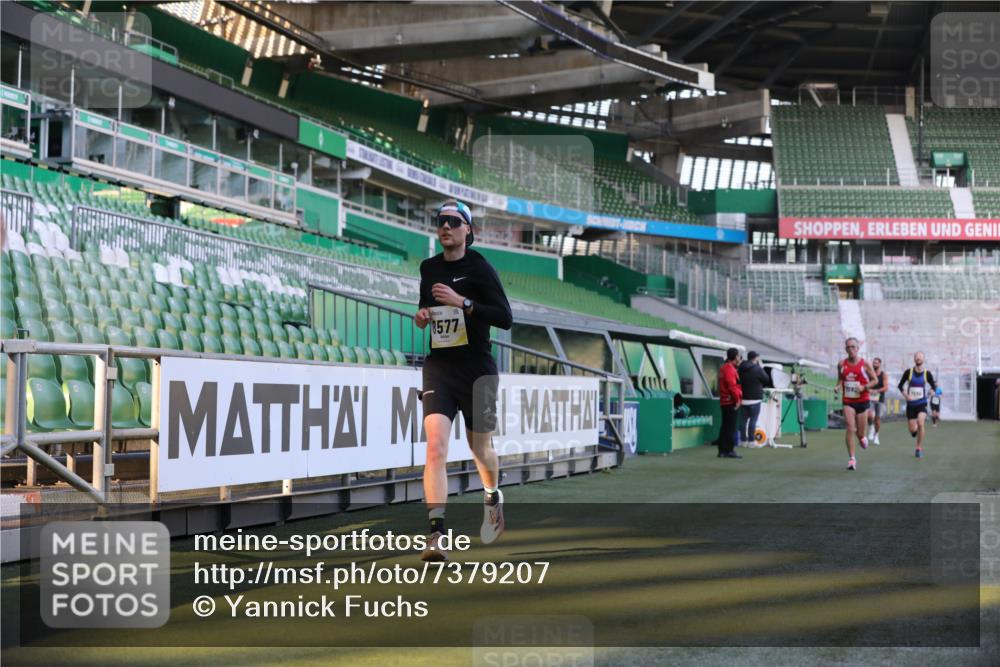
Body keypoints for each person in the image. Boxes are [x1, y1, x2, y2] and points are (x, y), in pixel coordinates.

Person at [414, 200, 513, 561]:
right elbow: (429, 308)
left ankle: (492, 496)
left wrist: (464, 302)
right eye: (440, 221)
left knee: (479, 449)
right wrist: (423, 316)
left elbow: (505, 317)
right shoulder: (428, 268)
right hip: (440, 366)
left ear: (468, 230)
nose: (445, 227)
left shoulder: (480, 268)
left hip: (478, 370)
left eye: (454, 222)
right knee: (435, 447)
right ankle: (436, 534)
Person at [837, 338, 878, 471]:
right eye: (848, 347)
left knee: (860, 433)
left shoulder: (864, 364)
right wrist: (837, 386)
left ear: (858, 348)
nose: (851, 349)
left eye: (853, 347)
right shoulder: (841, 364)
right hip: (848, 401)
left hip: (862, 401)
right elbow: (840, 379)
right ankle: (852, 459)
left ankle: (862, 438)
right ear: (845, 349)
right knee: (850, 427)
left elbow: (875, 380)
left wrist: (864, 387)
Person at [897, 352, 939, 458]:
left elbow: (933, 386)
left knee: (921, 423)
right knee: (912, 430)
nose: (918, 359)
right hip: (911, 405)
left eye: (920, 358)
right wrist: (906, 396)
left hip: (922, 403)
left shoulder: (927, 373)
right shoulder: (908, 372)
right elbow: (900, 385)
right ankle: (914, 431)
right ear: (914, 359)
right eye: (917, 358)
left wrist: (932, 391)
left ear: (923, 359)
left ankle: (918, 448)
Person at [737, 351, 769, 447]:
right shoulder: (757, 368)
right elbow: (766, 379)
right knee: (753, 421)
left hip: (743, 398)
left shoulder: (741, 368)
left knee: (743, 421)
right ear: (756, 358)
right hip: (755, 398)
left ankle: (743, 441)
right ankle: (751, 441)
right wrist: (761, 367)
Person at [718, 348, 743, 459]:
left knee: (726, 426)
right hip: (730, 401)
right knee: (730, 427)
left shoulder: (725, 368)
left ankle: (723, 451)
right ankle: (729, 450)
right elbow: (732, 386)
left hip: (725, 401)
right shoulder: (729, 369)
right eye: (738, 356)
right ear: (735, 357)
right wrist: (737, 400)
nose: (739, 358)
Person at [866, 357, 889, 446]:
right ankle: (871, 427)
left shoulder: (883, 375)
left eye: (876, 363)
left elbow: (886, 387)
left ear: (880, 364)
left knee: (877, 418)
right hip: (870, 397)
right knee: (869, 415)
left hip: (880, 398)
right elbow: (865, 384)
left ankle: (876, 435)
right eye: (874, 363)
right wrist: (868, 389)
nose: (874, 364)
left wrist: (876, 391)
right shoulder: (869, 373)